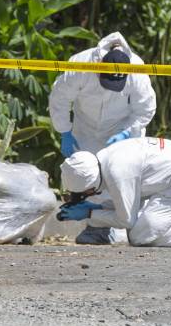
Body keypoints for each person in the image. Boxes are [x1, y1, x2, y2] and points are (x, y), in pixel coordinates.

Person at [49, 32, 157, 244]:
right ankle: (97, 228)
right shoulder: (81, 64)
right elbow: (59, 98)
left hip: (123, 128)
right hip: (85, 128)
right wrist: (64, 131)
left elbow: (145, 109)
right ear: (99, 65)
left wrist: (127, 132)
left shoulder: (136, 70)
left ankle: (123, 223)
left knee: (121, 175)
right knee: (88, 176)